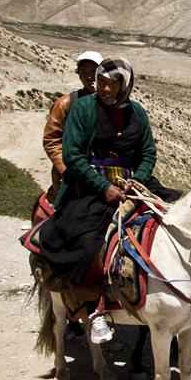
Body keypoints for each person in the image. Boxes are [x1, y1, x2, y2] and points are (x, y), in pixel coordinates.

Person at [39, 57, 157, 344]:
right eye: (102, 83)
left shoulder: (137, 113)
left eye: (112, 84)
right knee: (86, 239)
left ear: (125, 86)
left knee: (174, 218)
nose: (105, 89)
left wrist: (136, 180)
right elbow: (72, 156)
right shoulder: (82, 109)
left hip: (132, 183)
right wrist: (103, 187)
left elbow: (148, 153)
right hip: (89, 185)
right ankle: (93, 309)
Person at [43, 51, 103, 203]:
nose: (89, 76)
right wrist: (66, 169)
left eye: (93, 71)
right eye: (84, 72)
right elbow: (51, 140)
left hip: (104, 173)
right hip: (72, 176)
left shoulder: (111, 103)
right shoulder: (65, 104)